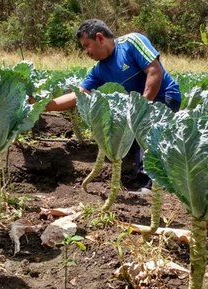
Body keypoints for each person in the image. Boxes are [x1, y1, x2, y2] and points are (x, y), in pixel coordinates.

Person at [44, 18, 181, 191]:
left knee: (144, 134)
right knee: (126, 143)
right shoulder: (99, 70)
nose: (85, 52)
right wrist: (45, 105)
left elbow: (155, 71)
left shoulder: (132, 42)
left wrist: (141, 107)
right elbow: (78, 95)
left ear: (100, 38)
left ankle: (148, 186)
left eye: (87, 45)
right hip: (136, 108)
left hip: (165, 96)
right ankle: (138, 178)